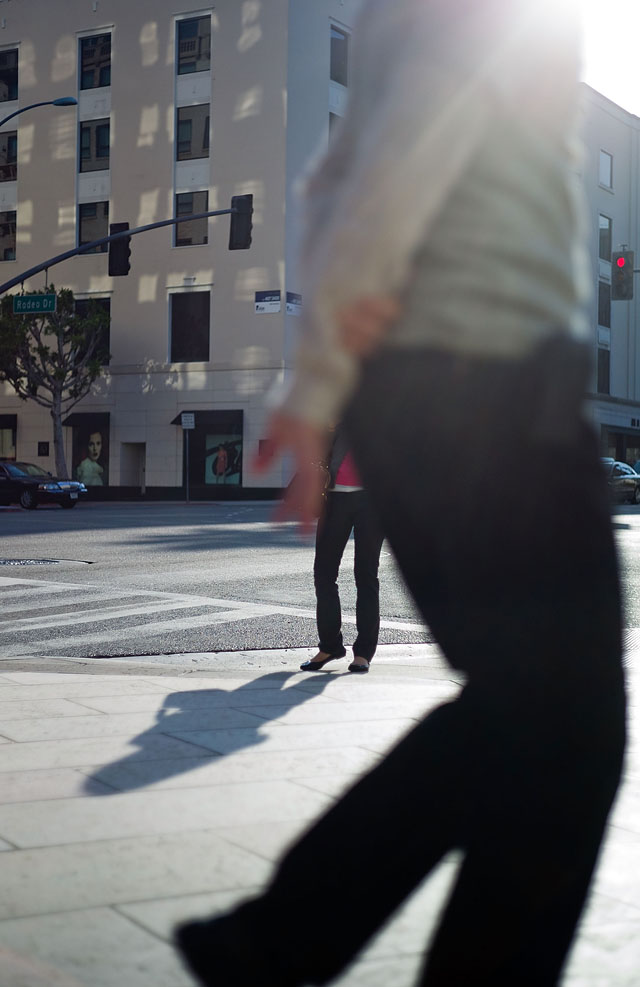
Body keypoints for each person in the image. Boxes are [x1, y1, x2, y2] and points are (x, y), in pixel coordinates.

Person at [174, 1, 626, 984]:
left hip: (460, 381)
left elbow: (343, 173)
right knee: (568, 720)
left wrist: (324, 383)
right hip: (476, 378)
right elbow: (397, 157)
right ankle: (283, 935)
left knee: (542, 717)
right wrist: (321, 377)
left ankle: (282, 935)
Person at [300, 424, 384, 674]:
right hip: (333, 496)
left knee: (366, 575)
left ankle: (363, 653)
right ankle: (330, 646)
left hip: (373, 500)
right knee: (324, 575)